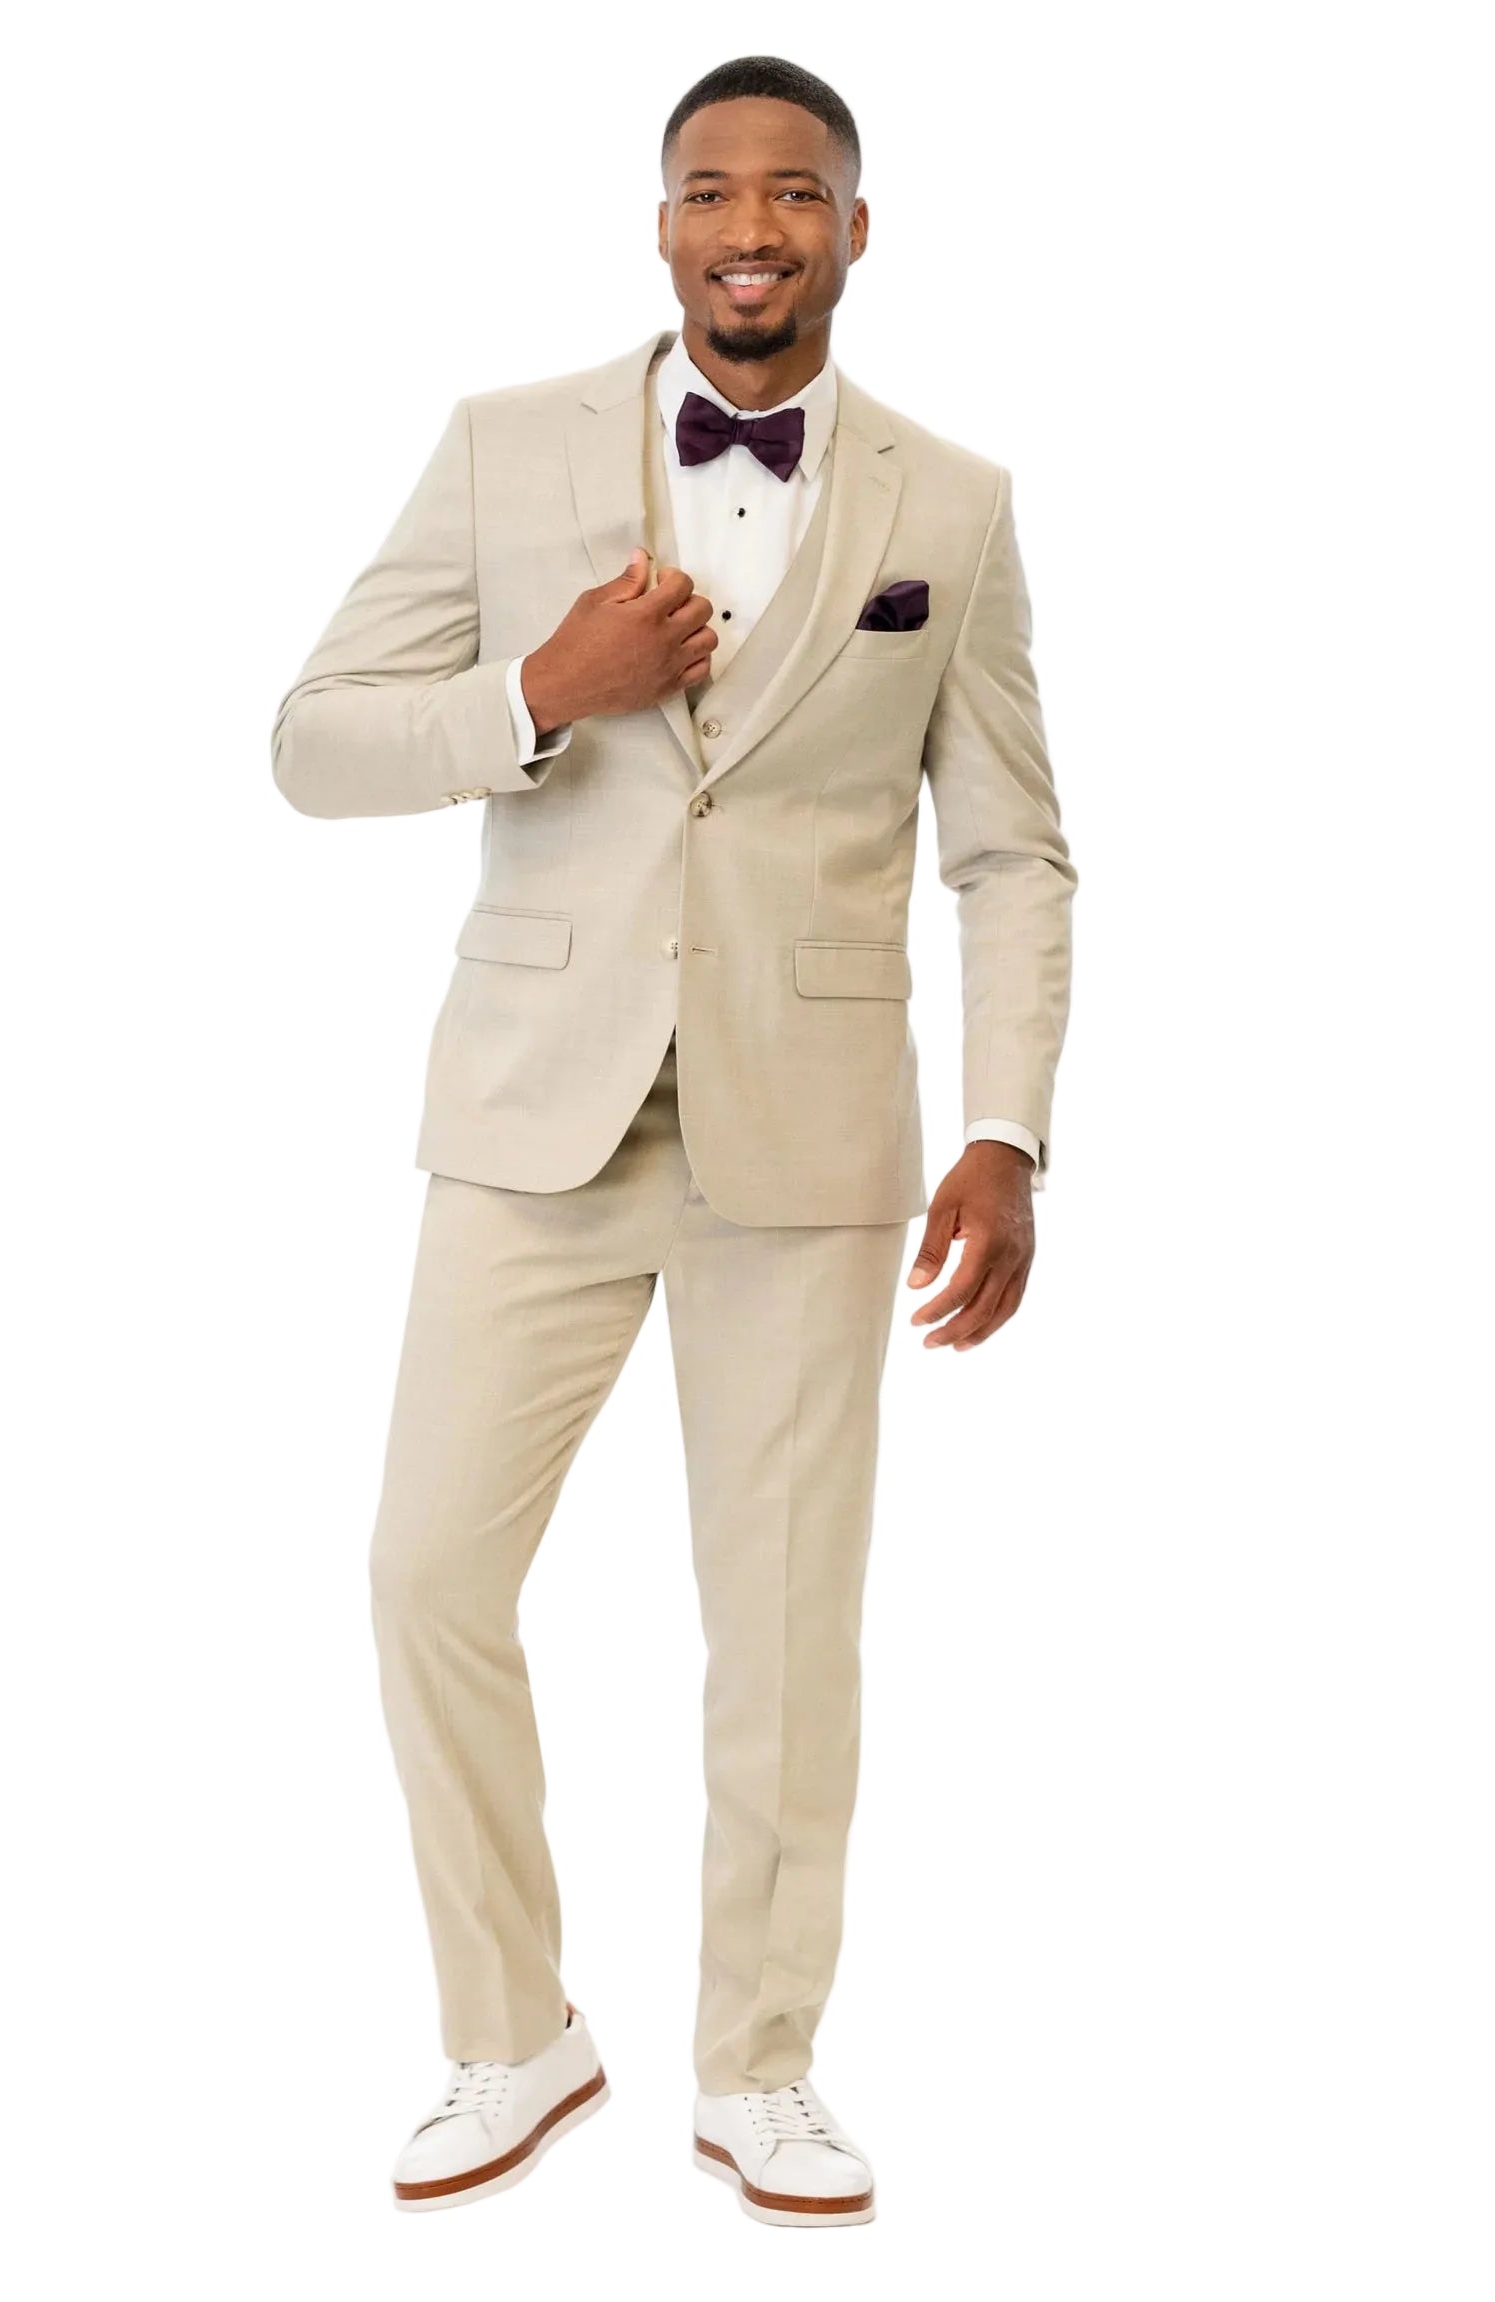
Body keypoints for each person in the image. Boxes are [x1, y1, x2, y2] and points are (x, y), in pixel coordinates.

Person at [271, 52, 1074, 2230]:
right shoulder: (502, 441)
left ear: (855, 230)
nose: (752, 227)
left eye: (795, 193)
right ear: (660, 226)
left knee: (788, 1627)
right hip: (531, 1113)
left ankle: (761, 2066)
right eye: (712, 190)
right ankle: (515, 2027)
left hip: (808, 1139)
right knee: (426, 1569)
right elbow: (312, 742)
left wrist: (1008, 1126)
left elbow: (1011, 849)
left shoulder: (953, 501)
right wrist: (538, 688)